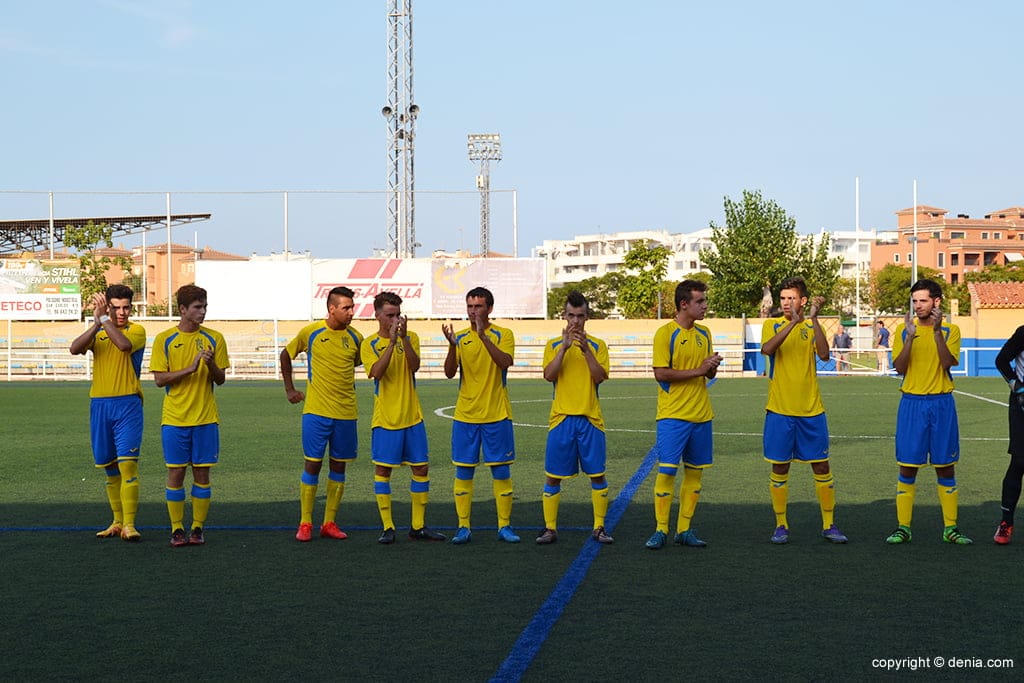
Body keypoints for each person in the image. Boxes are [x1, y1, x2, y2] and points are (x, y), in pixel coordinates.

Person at [760, 277, 848, 545]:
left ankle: (829, 524)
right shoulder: (771, 324)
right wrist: (794, 324)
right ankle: (781, 525)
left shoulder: (810, 325)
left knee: (821, 466)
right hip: (780, 409)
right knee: (780, 467)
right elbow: (768, 349)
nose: (786, 303)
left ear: (803, 301)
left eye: (791, 298)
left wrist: (814, 320)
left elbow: (823, 355)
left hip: (811, 410)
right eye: (783, 298)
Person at [885, 279, 971, 545]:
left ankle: (950, 528)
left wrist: (935, 332)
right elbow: (899, 368)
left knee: (945, 468)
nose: (918, 306)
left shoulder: (950, 331)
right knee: (908, 467)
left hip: (942, 403)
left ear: (936, 302)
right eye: (915, 301)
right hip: (912, 403)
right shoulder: (902, 331)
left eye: (923, 300)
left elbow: (947, 363)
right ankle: (903, 528)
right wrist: (910, 337)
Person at [360, 291, 445, 544]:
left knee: (421, 467)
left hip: (413, 416)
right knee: (383, 470)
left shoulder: (411, 338)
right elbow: (376, 372)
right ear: (377, 316)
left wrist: (403, 339)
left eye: (398, 314)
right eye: (390, 315)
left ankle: (418, 526)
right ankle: (388, 527)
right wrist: (390, 342)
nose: (395, 319)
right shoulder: (369, 344)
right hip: (386, 418)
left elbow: (414, 366)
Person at [281, 286, 364, 542]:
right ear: (331, 309)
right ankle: (305, 522)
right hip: (316, 412)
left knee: (339, 466)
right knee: (313, 464)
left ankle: (329, 522)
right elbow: (286, 354)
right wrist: (290, 389)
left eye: (352, 307)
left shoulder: (356, 337)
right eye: (346, 308)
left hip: (346, 413)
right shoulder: (312, 333)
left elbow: (360, 362)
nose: (351, 312)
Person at [150, 285, 229, 548]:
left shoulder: (215, 338)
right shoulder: (165, 339)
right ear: (182, 309)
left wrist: (211, 365)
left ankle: (197, 528)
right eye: (197, 307)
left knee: (202, 475)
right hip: (174, 419)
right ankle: (176, 529)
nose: (202, 311)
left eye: (204, 306)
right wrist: (190, 368)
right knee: (175, 474)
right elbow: (160, 380)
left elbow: (221, 380)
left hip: (206, 418)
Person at [645, 279, 722, 550]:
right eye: (700, 301)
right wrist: (700, 370)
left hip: (701, 415)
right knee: (666, 472)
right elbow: (660, 373)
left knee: (694, 475)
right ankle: (660, 530)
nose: (705, 306)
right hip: (673, 416)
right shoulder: (665, 334)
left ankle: (684, 529)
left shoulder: (705, 334)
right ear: (684, 304)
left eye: (704, 300)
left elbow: (707, 373)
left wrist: (711, 366)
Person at [442, 287, 520, 545]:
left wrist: (484, 337)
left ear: (489, 309)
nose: (472, 311)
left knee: (500, 472)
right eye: (469, 307)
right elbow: (450, 373)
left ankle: (504, 526)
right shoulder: (461, 338)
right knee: (464, 472)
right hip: (465, 415)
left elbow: (505, 362)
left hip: (497, 414)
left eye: (478, 307)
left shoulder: (503, 334)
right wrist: (451, 347)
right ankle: (463, 526)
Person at [536, 291, 614, 545]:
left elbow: (599, 376)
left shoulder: (598, 345)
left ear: (587, 317)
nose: (576, 321)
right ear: (564, 315)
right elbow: (549, 375)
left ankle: (599, 527)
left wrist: (585, 350)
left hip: (590, 418)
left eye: (580, 316)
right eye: (571, 315)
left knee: (597, 475)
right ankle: (550, 528)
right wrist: (565, 348)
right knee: (553, 476)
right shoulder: (553, 345)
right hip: (561, 419)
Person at [70, 285, 146, 542]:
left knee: (127, 465)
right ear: (108, 307)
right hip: (100, 405)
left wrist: (104, 320)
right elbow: (74, 348)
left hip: (128, 404)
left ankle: (130, 524)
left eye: (126, 307)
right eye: (115, 307)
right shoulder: (99, 332)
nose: (122, 312)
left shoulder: (137, 331)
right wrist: (95, 324)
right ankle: (116, 521)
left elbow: (124, 346)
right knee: (109, 467)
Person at [992, 324, 1024, 544]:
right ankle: (1006, 522)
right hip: (1022, 405)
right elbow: (1001, 360)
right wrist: (1016, 385)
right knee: (1020, 461)